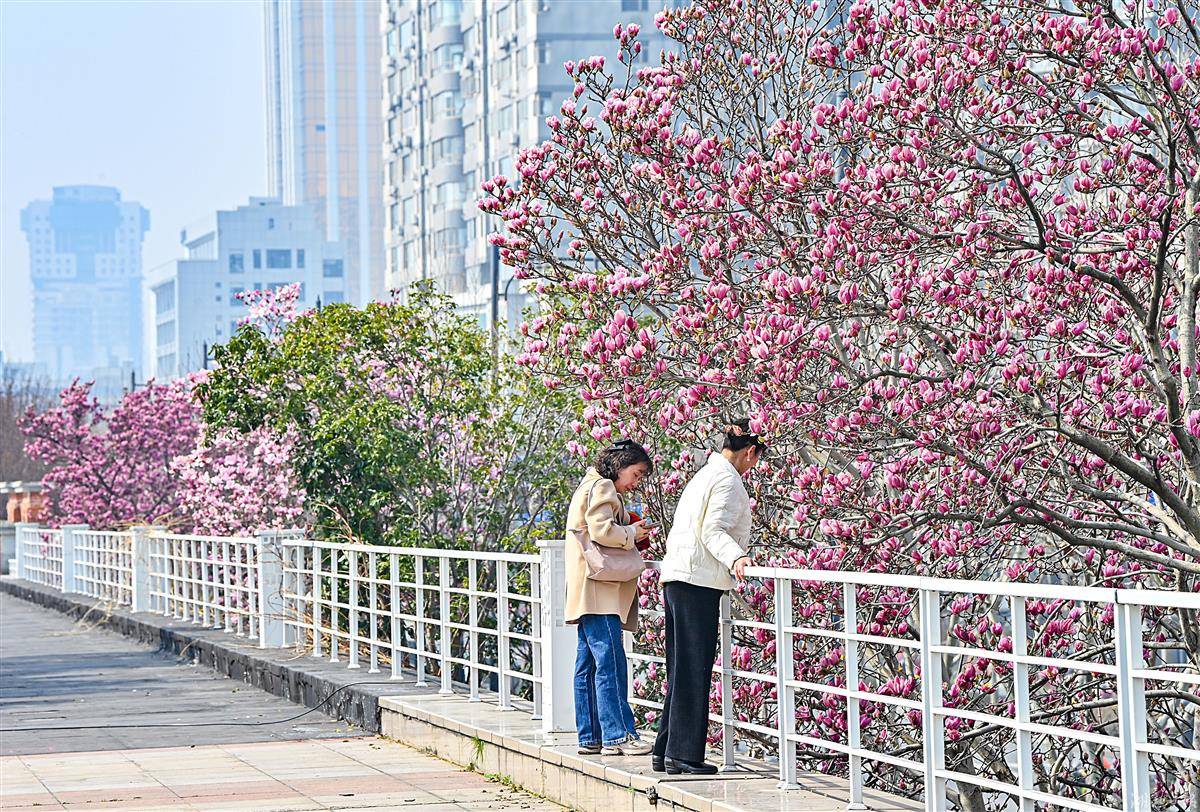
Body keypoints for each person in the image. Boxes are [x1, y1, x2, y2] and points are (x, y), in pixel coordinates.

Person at [652, 421, 764, 774]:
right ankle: (684, 755)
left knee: (680, 667)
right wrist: (737, 557)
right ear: (750, 452)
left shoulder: (705, 474)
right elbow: (713, 528)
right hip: (696, 581)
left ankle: (665, 749)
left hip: (679, 576)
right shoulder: (729, 480)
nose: (755, 466)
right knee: (693, 667)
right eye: (757, 459)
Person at [565, 438, 656, 756]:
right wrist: (633, 533)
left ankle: (590, 737)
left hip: (587, 588)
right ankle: (620, 735)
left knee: (588, 665)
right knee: (610, 662)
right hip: (599, 589)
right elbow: (602, 530)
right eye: (637, 473)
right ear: (620, 466)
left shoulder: (589, 484)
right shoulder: (603, 486)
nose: (636, 481)